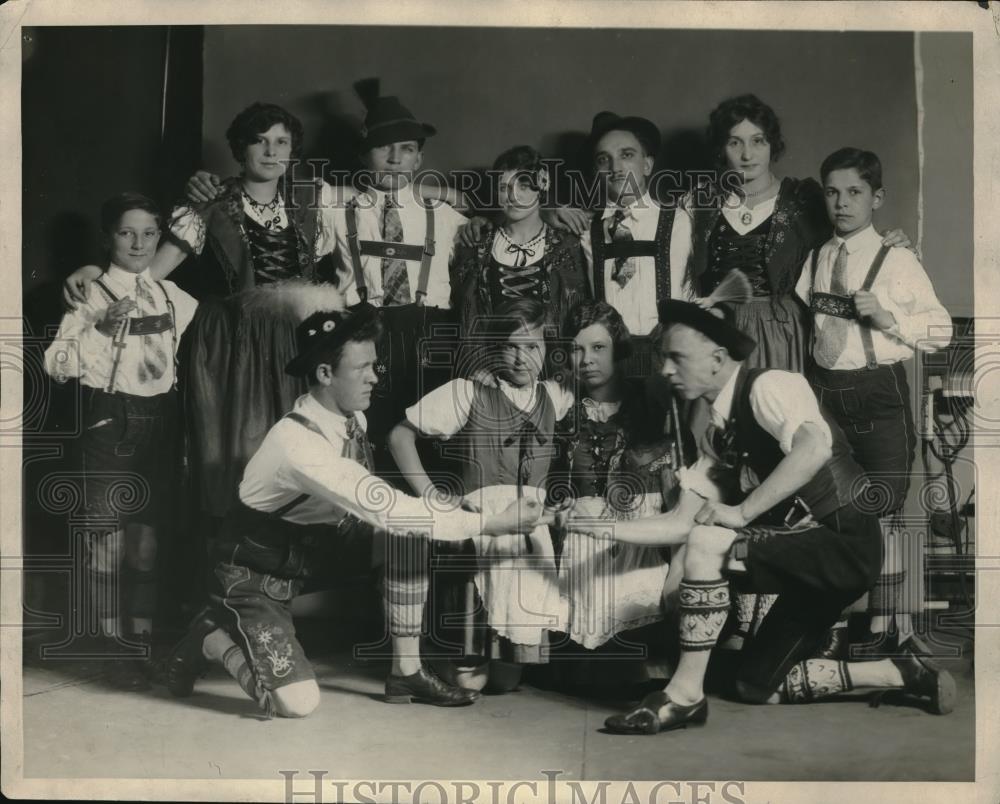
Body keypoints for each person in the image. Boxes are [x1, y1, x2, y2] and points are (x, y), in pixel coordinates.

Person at [568, 299, 956, 734]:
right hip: (807, 562)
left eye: (677, 358)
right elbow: (680, 521)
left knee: (706, 543)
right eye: (664, 359)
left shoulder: (769, 386)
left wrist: (742, 511)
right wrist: (603, 527)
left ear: (717, 359)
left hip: (843, 541)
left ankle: (683, 696)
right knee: (754, 686)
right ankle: (898, 671)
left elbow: (814, 449)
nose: (665, 370)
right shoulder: (720, 432)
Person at [162, 304, 550, 718]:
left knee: (407, 537)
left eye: (374, 365)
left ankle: (406, 671)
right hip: (255, 572)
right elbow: (389, 508)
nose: (375, 377)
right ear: (325, 374)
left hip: (318, 553)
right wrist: (492, 523)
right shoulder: (297, 445)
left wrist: (450, 504)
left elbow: (387, 513)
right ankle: (211, 639)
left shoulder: (352, 419)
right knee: (297, 704)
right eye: (362, 368)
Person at [61, 102, 344, 522]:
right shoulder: (209, 203)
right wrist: (95, 273)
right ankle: (240, 546)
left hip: (294, 342)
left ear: (292, 150)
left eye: (281, 142)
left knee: (299, 445)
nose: (270, 152)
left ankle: (290, 546)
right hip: (234, 345)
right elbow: (149, 273)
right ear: (240, 149)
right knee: (241, 447)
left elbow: (385, 199)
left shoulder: (312, 201)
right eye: (259, 141)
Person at [796, 147, 952, 656]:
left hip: (877, 394)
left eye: (855, 192)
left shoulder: (897, 258)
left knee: (886, 512)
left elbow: (941, 331)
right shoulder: (817, 258)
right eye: (833, 192)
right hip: (824, 393)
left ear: (877, 198)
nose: (842, 203)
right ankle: (836, 626)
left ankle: (889, 629)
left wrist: (888, 318)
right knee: (833, 511)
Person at [44, 192, 199, 690]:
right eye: (126, 233)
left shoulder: (172, 295)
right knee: (107, 546)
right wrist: (98, 328)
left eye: (148, 233)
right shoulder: (90, 293)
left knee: (146, 548)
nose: (138, 243)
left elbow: (195, 226)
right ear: (108, 236)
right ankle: (113, 649)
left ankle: (143, 645)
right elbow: (57, 366)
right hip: (110, 422)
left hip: (161, 422)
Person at [388, 298, 574, 691]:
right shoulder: (467, 392)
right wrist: (432, 497)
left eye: (533, 346)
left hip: (529, 538)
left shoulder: (555, 396)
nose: (522, 358)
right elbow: (399, 436)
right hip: (480, 533)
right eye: (510, 346)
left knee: (506, 681)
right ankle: (440, 658)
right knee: (471, 680)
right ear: (493, 347)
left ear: (547, 348)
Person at [685, 94, 911, 374]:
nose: (747, 154)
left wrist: (891, 240)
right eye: (735, 143)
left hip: (781, 333)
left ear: (772, 144)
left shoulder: (802, 199)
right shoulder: (701, 203)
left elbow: (850, 240)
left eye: (758, 141)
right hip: (717, 328)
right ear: (721, 148)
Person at [550, 301, 688, 670]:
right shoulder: (562, 407)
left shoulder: (654, 401)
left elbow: (677, 492)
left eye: (598, 348)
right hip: (581, 545)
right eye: (577, 350)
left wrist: (677, 566)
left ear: (619, 349)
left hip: (642, 542)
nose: (587, 360)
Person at [582, 111, 695, 378]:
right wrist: (549, 211)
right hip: (611, 364)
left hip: (667, 361)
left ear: (647, 165)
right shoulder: (586, 230)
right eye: (604, 159)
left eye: (627, 155)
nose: (616, 167)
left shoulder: (680, 221)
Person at [450, 145, 590, 346]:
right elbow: (466, 319)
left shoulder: (567, 246)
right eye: (503, 188)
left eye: (523, 186)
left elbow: (574, 319)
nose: (513, 196)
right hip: (489, 360)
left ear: (542, 187)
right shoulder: (476, 245)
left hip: (548, 360)